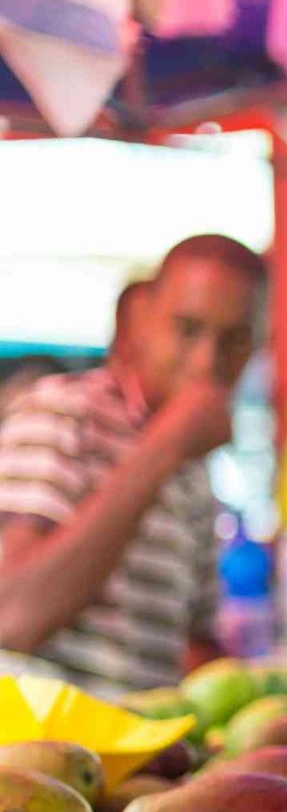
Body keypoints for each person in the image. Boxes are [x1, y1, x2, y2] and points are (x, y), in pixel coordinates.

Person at [0, 235, 263, 695]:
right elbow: (12, 617)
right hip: (44, 752)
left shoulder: (194, 473)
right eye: (187, 329)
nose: (207, 363)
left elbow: (193, 647)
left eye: (235, 341)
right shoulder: (62, 413)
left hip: (136, 754)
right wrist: (163, 445)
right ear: (135, 319)